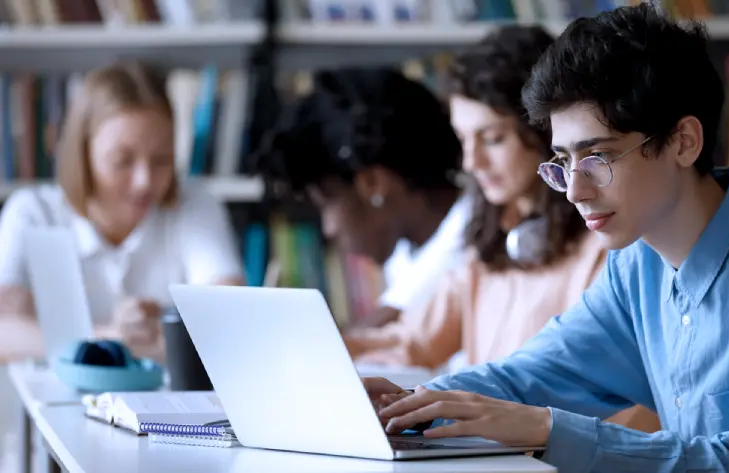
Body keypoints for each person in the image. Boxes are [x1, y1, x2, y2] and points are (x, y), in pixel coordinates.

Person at [364, 5, 729, 473]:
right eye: (563, 160)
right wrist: (407, 403)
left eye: (597, 157)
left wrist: (547, 430)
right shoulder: (636, 267)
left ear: (684, 141)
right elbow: (532, 377)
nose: (573, 190)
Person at [343, 25, 660, 434]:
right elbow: (414, 341)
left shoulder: (607, 245)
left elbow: (634, 409)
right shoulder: (491, 244)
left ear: (546, 133)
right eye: (463, 140)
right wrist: (322, 345)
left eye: (491, 139)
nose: (472, 162)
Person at [0, 61, 244, 363]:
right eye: (122, 161)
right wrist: (109, 337)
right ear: (83, 155)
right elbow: (4, 332)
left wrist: (157, 326)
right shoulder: (33, 212)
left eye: (161, 160)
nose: (144, 182)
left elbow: (230, 316)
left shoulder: (194, 205)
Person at [256, 67, 470, 330]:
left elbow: (381, 334)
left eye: (327, 204)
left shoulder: (476, 239)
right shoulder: (406, 252)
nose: (328, 229)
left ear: (374, 183)